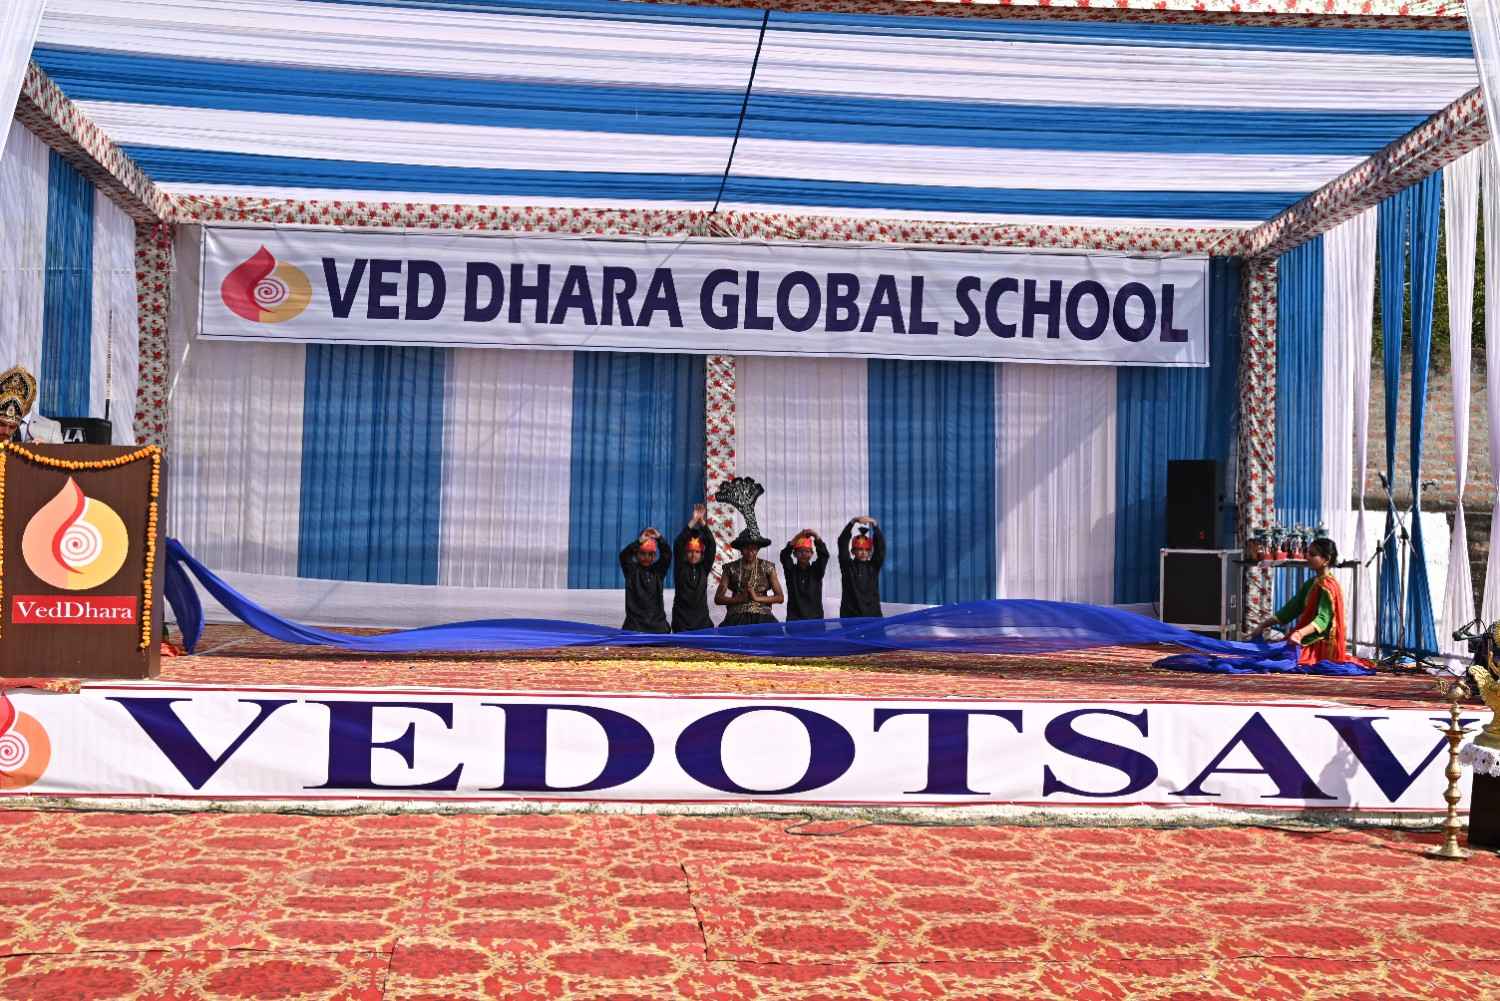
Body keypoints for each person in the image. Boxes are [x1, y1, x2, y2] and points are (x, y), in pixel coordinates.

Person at [1251, 537, 1364, 668]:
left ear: (1326, 560)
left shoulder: (1329, 587)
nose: (1307, 557)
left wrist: (1299, 634)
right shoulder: (1311, 584)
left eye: (1312, 554)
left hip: (1321, 645)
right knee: (1269, 657)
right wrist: (1262, 625)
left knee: (1280, 662)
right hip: (1305, 639)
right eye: (1308, 553)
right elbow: (1290, 609)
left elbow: (1323, 620)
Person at [715, 525, 784, 627]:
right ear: (741, 549)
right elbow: (718, 598)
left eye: (754, 549)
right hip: (736, 616)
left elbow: (780, 597)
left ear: (758, 549)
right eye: (746, 548)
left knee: (771, 633)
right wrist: (738, 599)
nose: (750, 552)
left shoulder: (768, 567)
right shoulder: (730, 568)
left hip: (763, 616)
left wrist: (756, 598)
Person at [671, 504, 716, 632]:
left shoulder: (704, 568)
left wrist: (702, 522)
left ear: (702, 554)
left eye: (697, 552)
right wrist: (693, 520)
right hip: (681, 621)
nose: (693, 555)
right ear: (685, 553)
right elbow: (678, 543)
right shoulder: (680, 568)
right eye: (690, 551)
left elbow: (711, 544)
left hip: (702, 621)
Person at [619, 527, 671, 633]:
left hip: (657, 626)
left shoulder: (658, 571)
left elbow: (667, 554)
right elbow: (624, 556)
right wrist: (639, 542)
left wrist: (659, 538)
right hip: (635, 626)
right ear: (636, 554)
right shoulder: (632, 571)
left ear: (655, 556)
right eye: (643, 553)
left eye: (651, 554)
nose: (647, 557)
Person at [838, 516, 884, 618]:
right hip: (851, 618)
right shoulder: (847, 567)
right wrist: (852, 522)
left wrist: (874, 524)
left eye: (867, 550)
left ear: (870, 552)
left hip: (872, 617)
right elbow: (842, 543)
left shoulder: (873, 567)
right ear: (853, 551)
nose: (863, 552)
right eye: (860, 549)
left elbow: (880, 548)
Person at [0, 366, 61, 443]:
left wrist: (46, 448)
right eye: (2, 424)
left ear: (32, 398)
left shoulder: (52, 427)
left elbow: (63, 451)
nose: (6, 431)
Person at [780, 529, 829, 621]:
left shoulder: (816, 571)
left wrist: (816, 536)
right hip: (795, 621)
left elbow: (824, 556)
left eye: (807, 551)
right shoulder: (791, 571)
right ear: (794, 554)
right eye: (800, 551)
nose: (803, 554)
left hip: (815, 621)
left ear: (812, 554)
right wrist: (798, 536)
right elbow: (784, 555)